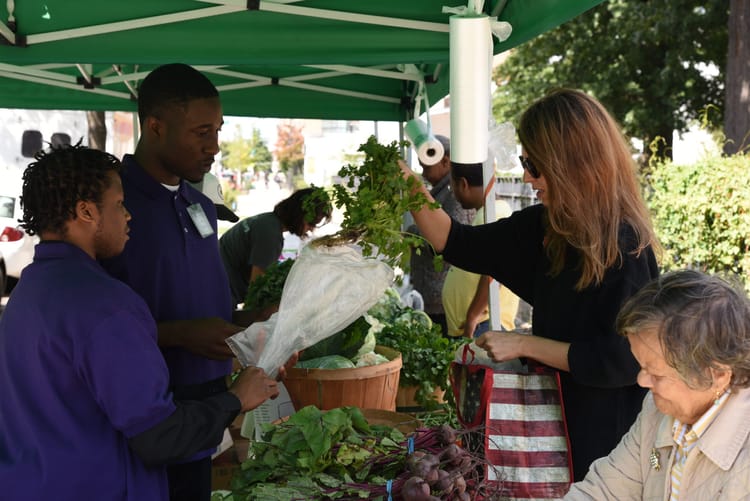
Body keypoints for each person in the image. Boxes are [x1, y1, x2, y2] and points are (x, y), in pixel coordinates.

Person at [399, 88, 660, 480]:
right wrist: (407, 185)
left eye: (534, 164)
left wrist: (523, 343)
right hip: (551, 430)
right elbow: (456, 242)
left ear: (572, 164)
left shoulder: (625, 246)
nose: (526, 176)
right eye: (525, 161)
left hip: (609, 445)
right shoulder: (545, 227)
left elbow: (622, 360)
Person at [0, 145, 281, 501]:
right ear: (86, 212)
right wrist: (237, 399)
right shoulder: (106, 305)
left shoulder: (27, 291)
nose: (128, 215)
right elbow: (159, 438)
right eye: (119, 204)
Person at [99, 63, 256, 500]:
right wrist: (178, 337)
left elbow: (208, 308)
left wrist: (253, 322)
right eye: (201, 132)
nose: (215, 147)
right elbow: (90, 324)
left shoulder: (201, 206)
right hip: (143, 417)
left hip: (208, 408)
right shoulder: (112, 206)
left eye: (218, 130)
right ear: (155, 127)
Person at [565, 270, 750, 499]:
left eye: (656, 374)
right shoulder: (656, 412)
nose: (642, 381)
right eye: (641, 366)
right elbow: (604, 491)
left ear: (717, 375)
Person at [406, 134, 475, 336]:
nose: (423, 173)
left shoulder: (455, 194)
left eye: (426, 167)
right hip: (432, 294)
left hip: (442, 298)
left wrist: (412, 234)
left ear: (445, 161)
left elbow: (449, 239)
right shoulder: (442, 190)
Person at [218, 187, 331, 308]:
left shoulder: (266, 220)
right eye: (312, 222)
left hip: (216, 286)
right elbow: (257, 288)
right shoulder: (270, 235)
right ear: (300, 214)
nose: (311, 229)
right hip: (219, 294)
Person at [442, 163, 520, 338]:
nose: (452, 191)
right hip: (478, 324)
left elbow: (495, 272)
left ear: (463, 183)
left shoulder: (495, 214)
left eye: (451, 185)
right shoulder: (486, 213)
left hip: (484, 324)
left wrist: (472, 316)